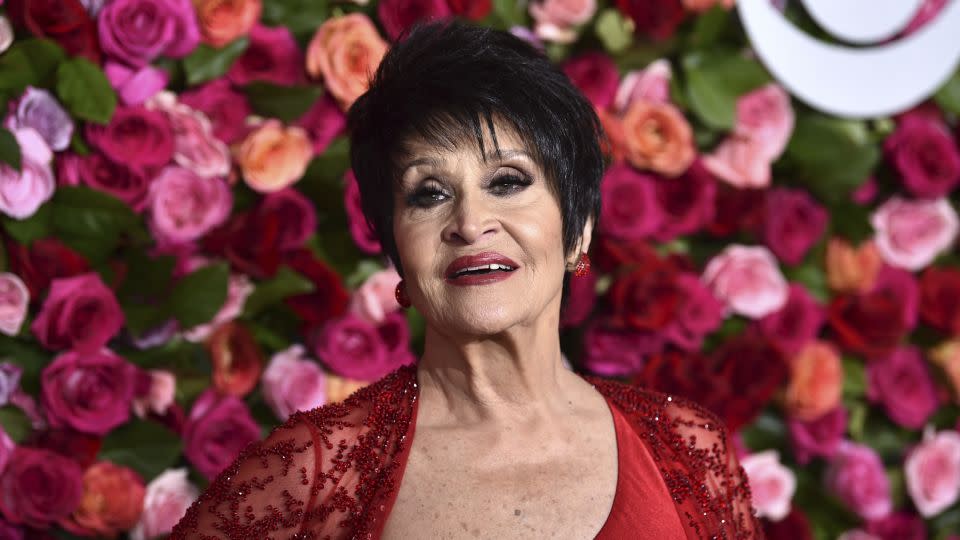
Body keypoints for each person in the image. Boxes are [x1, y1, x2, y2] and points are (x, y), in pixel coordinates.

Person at [170, 19, 762, 540]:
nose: (470, 222)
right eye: (428, 194)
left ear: (577, 229)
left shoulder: (687, 450)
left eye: (507, 181)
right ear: (398, 251)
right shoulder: (314, 475)